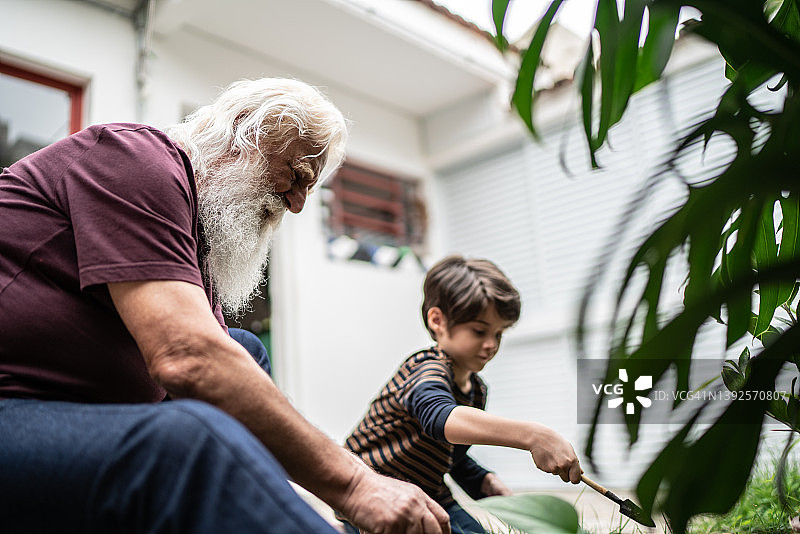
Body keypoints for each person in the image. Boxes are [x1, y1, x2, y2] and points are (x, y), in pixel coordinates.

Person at [0, 78, 451, 534]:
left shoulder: (195, 247)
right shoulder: (132, 156)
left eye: (308, 191)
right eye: (295, 175)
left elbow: (216, 362)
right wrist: (356, 484)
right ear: (241, 133)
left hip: (73, 417)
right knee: (188, 439)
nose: (295, 205)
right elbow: (188, 359)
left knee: (242, 350)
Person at [341, 255, 582, 534]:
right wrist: (533, 436)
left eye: (499, 334)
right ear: (438, 321)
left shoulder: (476, 390)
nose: (491, 344)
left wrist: (484, 482)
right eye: (479, 331)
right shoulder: (425, 369)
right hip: (375, 493)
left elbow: (449, 455)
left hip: (430, 493)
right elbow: (441, 420)